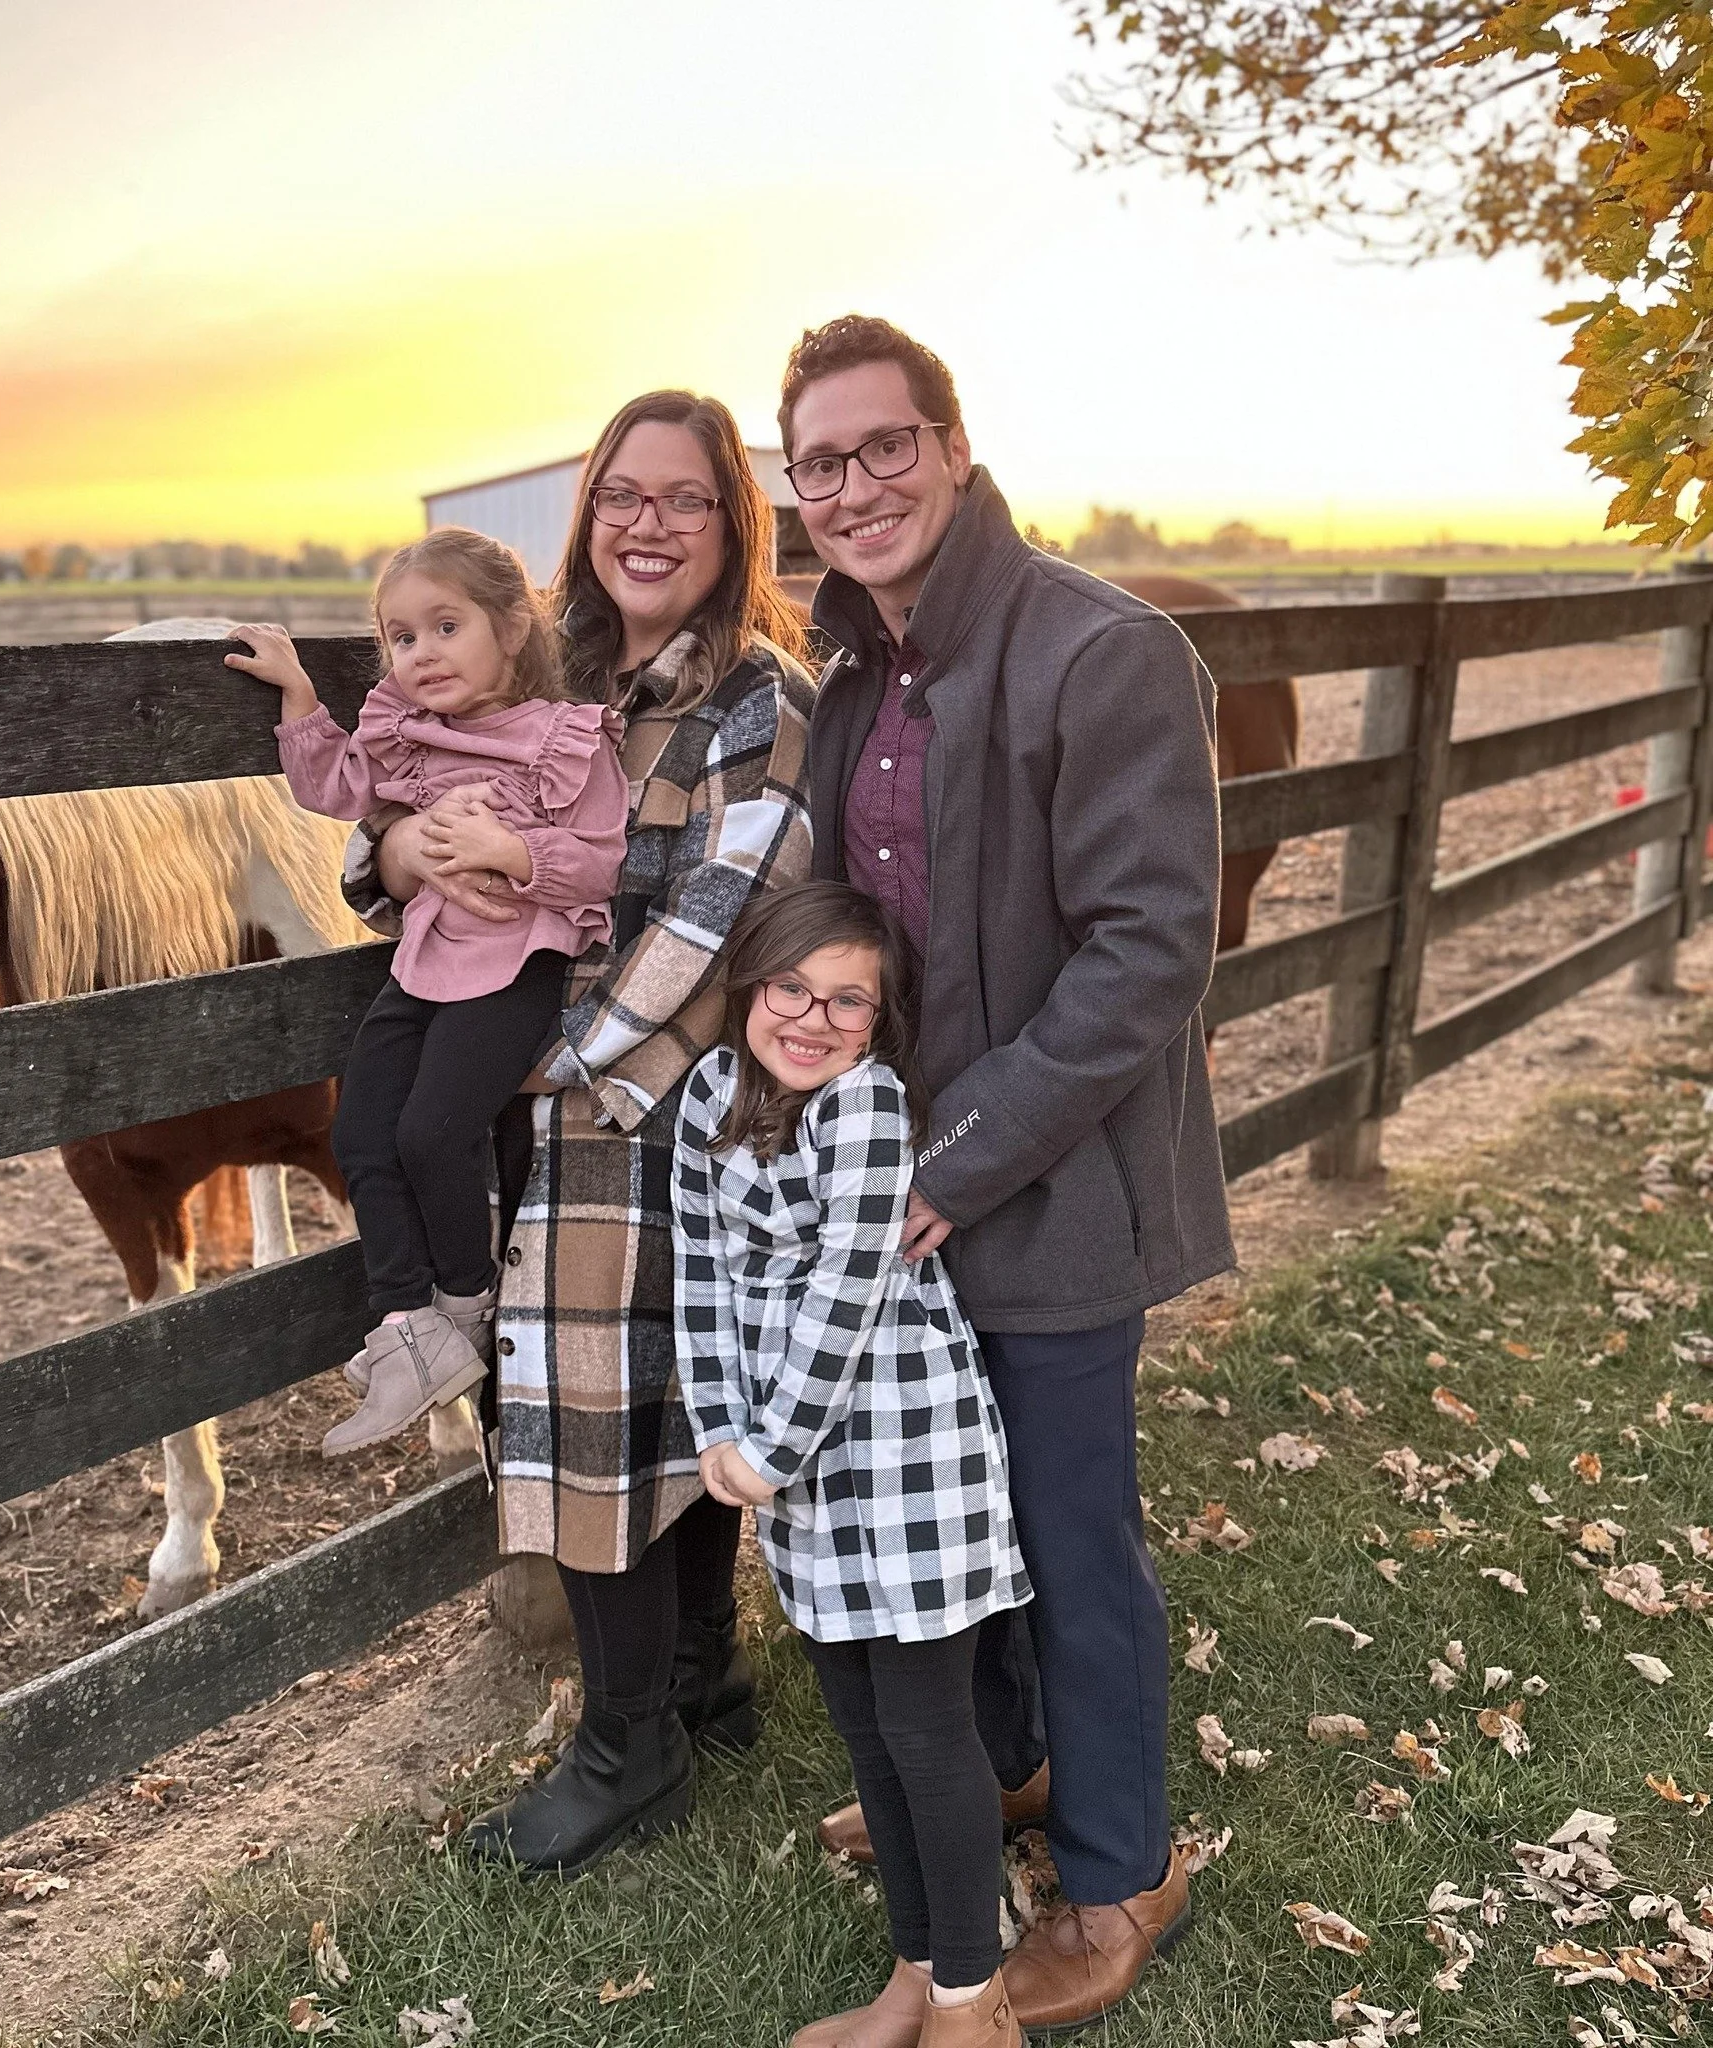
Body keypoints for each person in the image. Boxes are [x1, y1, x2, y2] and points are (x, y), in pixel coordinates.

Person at [780, 315, 1235, 2033]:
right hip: (901, 1182)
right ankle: (1016, 1765)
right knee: (959, 1516)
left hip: (1049, 1185)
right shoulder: (857, 677)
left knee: (1066, 1528)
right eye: (818, 464)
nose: (852, 486)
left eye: (881, 446)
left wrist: (948, 1163)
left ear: (951, 448)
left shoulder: (1097, 650)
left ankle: (1121, 1871)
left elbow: (1143, 949)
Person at [338, 392, 816, 1873]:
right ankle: (696, 1681)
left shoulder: (757, 701)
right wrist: (393, 849)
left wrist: (560, 1073)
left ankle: (624, 1752)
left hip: (636, 1092)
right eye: (624, 494)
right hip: (522, 1079)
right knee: (641, 1395)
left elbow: (723, 918)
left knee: (607, 1406)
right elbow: (392, 809)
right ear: (588, 514)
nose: (649, 524)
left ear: (734, 524)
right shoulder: (556, 671)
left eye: (686, 498)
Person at [676, 882, 1029, 2048]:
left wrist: (767, 1445)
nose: (811, 1018)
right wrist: (719, 1429)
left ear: (878, 1023)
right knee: (862, 1727)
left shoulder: (867, 1106)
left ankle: (973, 2003)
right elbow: (701, 1278)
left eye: (848, 1001)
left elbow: (843, 1295)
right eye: (790, 988)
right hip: (795, 1467)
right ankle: (914, 1971)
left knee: (926, 1725)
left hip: (904, 1443)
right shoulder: (705, 1101)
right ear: (749, 984)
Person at [225, 529, 628, 1455]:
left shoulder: (562, 738)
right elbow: (334, 787)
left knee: (433, 1131)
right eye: (403, 638)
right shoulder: (402, 733)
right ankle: (407, 1323)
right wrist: (298, 694)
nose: (423, 653)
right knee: (361, 1129)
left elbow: (606, 863)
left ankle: (463, 1304)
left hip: (518, 964)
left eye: (447, 626)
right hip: (425, 958)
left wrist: (513, 852)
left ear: (514, 628)